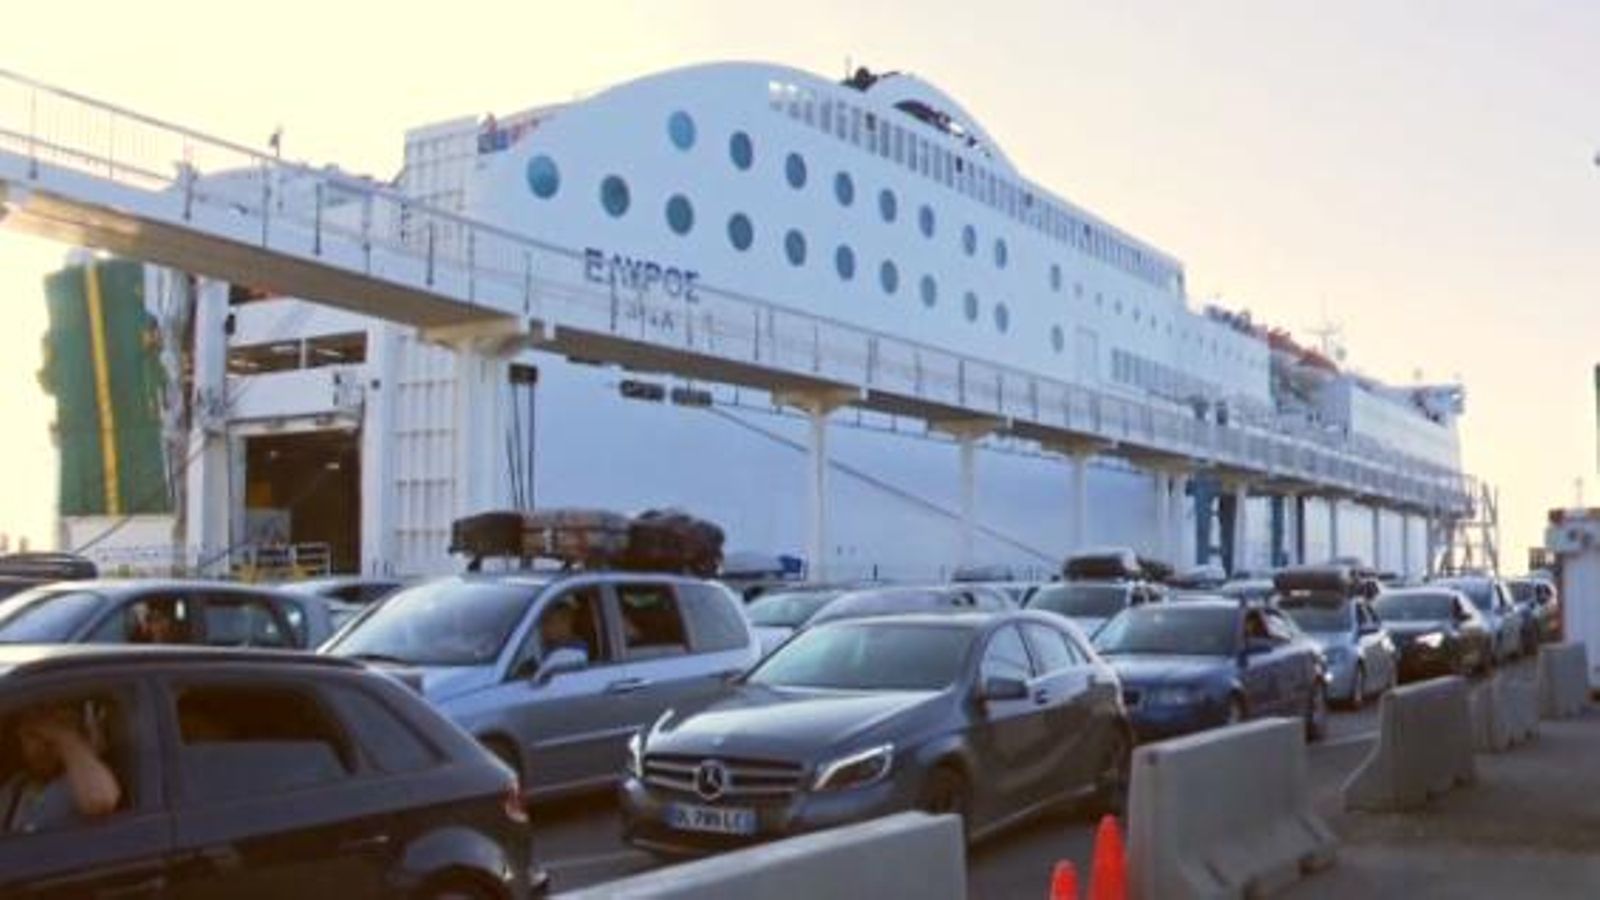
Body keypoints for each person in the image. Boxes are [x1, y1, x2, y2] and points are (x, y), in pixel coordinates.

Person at [0, 703, 121, 833]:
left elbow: (100, 800)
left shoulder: (82, 779)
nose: (43, 745)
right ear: (20, 737)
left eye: (51, 736)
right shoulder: (16, 787)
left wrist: (61, 735)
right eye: (33, 735)